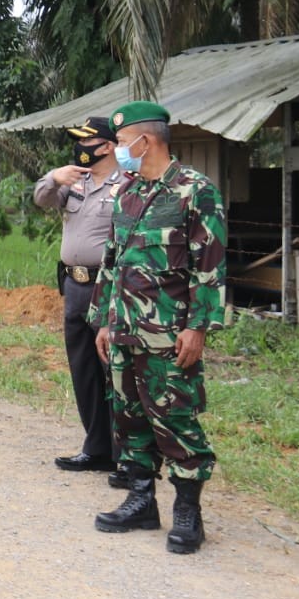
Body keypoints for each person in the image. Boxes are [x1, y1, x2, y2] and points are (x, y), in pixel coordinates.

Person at [89, 100, 227, 555]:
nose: (118, 149)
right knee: (129, 418)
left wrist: (198, 328)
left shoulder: (195, 191)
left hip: (169, 335)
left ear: (144, 140)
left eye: (122, 141)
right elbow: (112, 261)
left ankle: (188, 512)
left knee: (176, 419)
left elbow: (208, 267)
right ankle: (141, 500)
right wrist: (105, 322)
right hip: (125, 330)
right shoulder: (127, 190)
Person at [33, 117, 125, 486]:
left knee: (114, 372)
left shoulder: (126, 185)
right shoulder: (75, 182)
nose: (79, 148)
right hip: (74, 286)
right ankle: (96, 447)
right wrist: (54, 178)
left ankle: (124, 455)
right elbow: (41, 199)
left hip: (108, 287)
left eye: (86, 142)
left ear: (105, 146)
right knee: (83, 369)